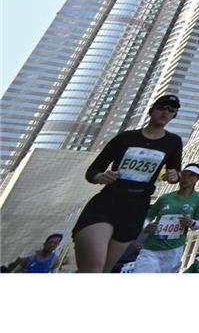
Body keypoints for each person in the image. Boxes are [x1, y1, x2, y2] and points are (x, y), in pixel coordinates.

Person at [72, 94, 184, 273]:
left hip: (136, 209)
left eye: (172, 110)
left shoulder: (174, 142)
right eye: (162, 107)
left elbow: (176, 171)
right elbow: (93, 171)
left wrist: (174, 176)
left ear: (174, 116)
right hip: (108, 202)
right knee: (93, 268)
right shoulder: (125, 138)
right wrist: (100, 177)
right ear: (151, 110)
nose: (166, 112)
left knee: (105, 270)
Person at [135, 162, 199, 273]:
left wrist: (191, 222)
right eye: (184, 174)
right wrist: (146, 226)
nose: (185, 178)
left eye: (191, 175)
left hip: (174, 250)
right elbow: (148, 218)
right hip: (151, 248)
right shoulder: (165, 198)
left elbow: (197, 225)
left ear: (197, 178)